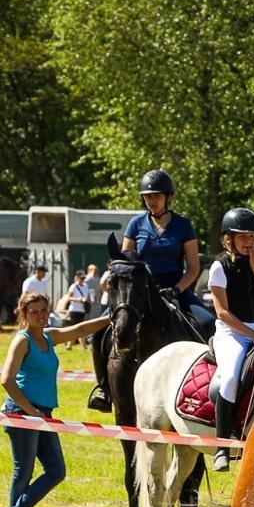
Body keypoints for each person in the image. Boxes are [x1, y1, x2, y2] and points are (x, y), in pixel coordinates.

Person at [86, 169, 208, 411]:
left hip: (175, 289)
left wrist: (176, 289)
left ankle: (206, 388)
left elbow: (193, 268)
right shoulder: (136, 224)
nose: (151, 201)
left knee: (207, 324)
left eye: (156, 196)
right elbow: (126, 260)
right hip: (138, 292)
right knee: (99, 332)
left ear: (168, 198)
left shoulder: (184, 226)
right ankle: (103, 388)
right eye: (148, 197)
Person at [0, 292, 110, 507]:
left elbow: (80, 329)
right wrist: (31, 412)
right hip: (22, 413)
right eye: (34, 311)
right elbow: (7, 380)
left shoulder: (49, 337)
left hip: (43, 413)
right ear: (23, 314)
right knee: (23, 471)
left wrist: (113, 316)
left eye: (44, 310)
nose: (40, 315)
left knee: (56, 470)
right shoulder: (22, 341)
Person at [206, 207, 254, 471]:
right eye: (243, 237)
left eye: (252, 236)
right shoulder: (218, 267)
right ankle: (222, 447)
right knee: (233, 377)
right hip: (230, 333)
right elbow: (223, 313)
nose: (249, 242)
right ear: (229, 239)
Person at [62, 271, 90, 346]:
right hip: (74, 310)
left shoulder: (86, 286)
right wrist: (79, 299)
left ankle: (72, 345)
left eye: (83, 278)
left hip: (82, 310)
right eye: (81, 278)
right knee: (75, 328)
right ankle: (72, 345)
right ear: (77, 278)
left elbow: (87, 296)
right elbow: (69, 297)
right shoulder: (73, 287)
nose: (82, 280)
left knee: (81, 328)